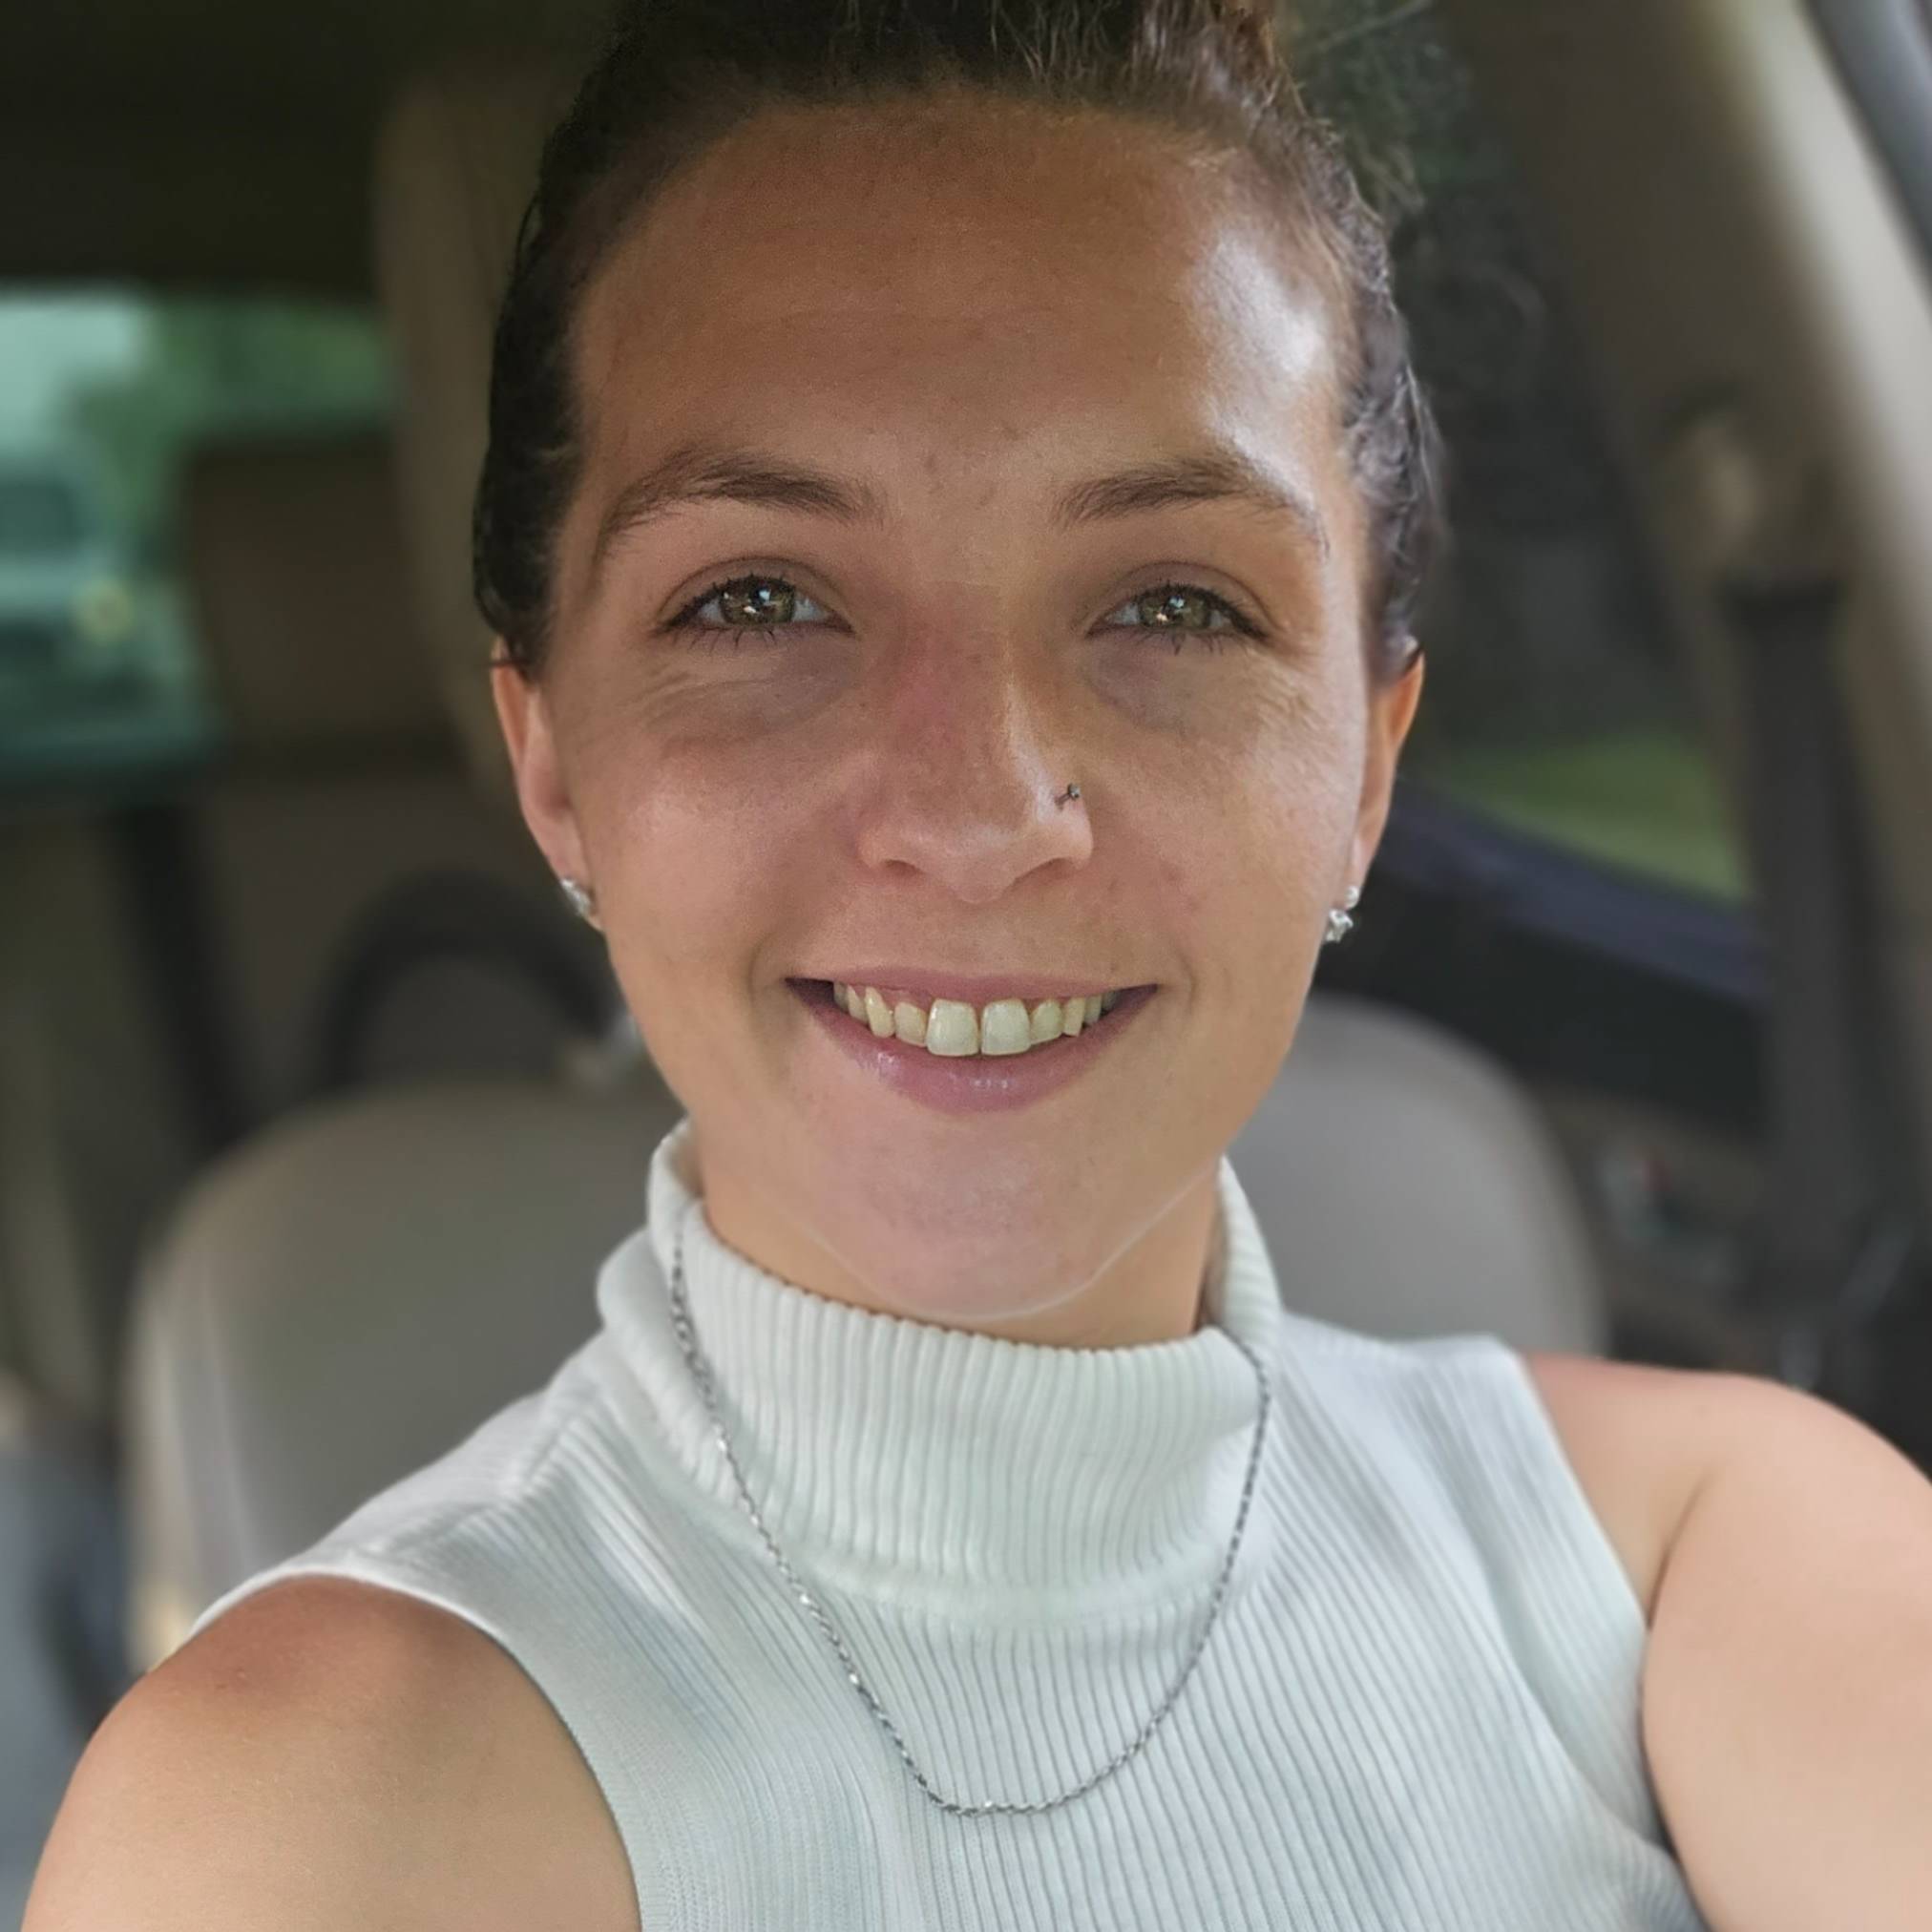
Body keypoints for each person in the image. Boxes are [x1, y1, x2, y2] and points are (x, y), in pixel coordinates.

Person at [30, 4, 1932, 1928]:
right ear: (555, 769)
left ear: (1367, 768)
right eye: (759, 599)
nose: (979, 810)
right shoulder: (308, 1807)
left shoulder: (1716, 1555)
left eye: (1174, 603)